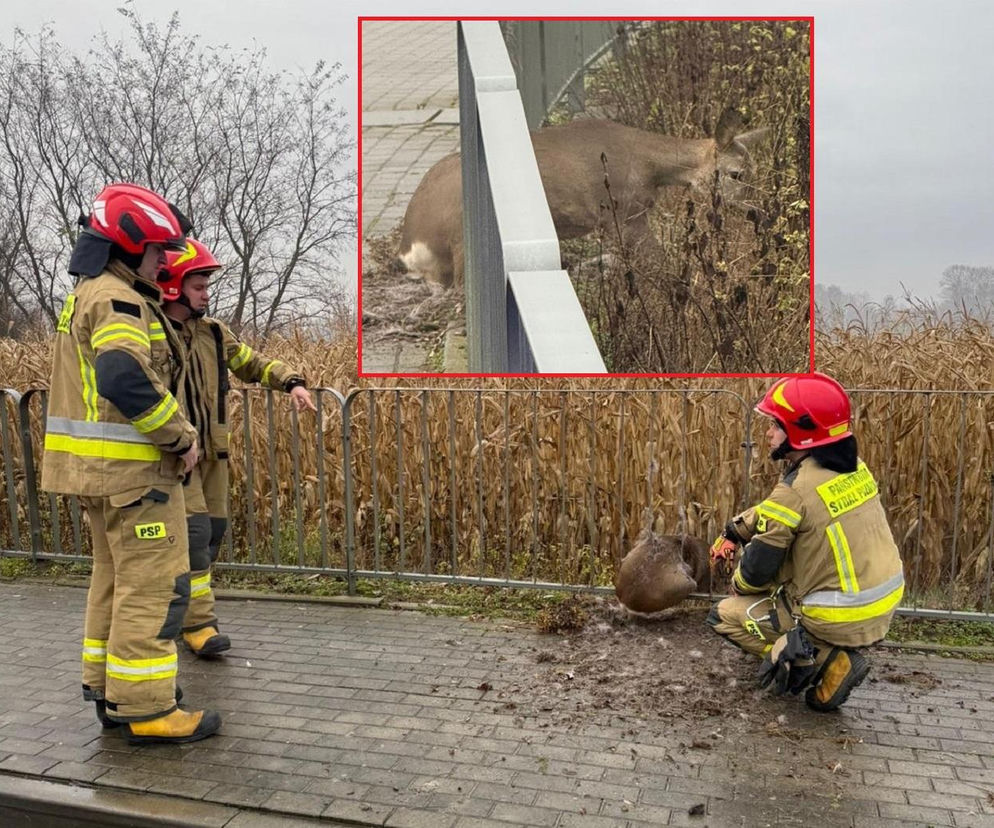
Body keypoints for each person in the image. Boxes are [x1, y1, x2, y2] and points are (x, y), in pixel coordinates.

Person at [41, 183, 221, 744]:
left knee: (113, 583)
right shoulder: (119, 299)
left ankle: (110, 691)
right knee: (154, 588)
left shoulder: (86, 293)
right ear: (131, 245)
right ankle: (148, 709)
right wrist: (181, 436)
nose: (164, 261)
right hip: (136, 479)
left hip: (101, 477)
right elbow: (123, 377)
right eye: (158, 249)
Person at [706, 372, 905, 711]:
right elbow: (780, 510)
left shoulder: (794, 492)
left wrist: (738, 585)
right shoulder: (854, 468)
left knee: (722, 616)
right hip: (882, 600)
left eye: (775, 425)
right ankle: (820, 650)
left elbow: (756, 571)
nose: (768, 433)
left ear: (801, 432)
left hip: (836, 613)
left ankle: (824, 663)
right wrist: (734, 531)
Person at [158, 238, 317, 657]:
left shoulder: (213, 333)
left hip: (213, 453)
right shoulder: (153, 332)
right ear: (172, 286)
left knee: (211, 534)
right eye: (198, 286)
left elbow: (252, 362)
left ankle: (177, 614)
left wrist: (291, 382)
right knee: (193, 538)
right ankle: (199, 625)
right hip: (175, 455)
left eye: (207, 286)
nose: (206, 294)